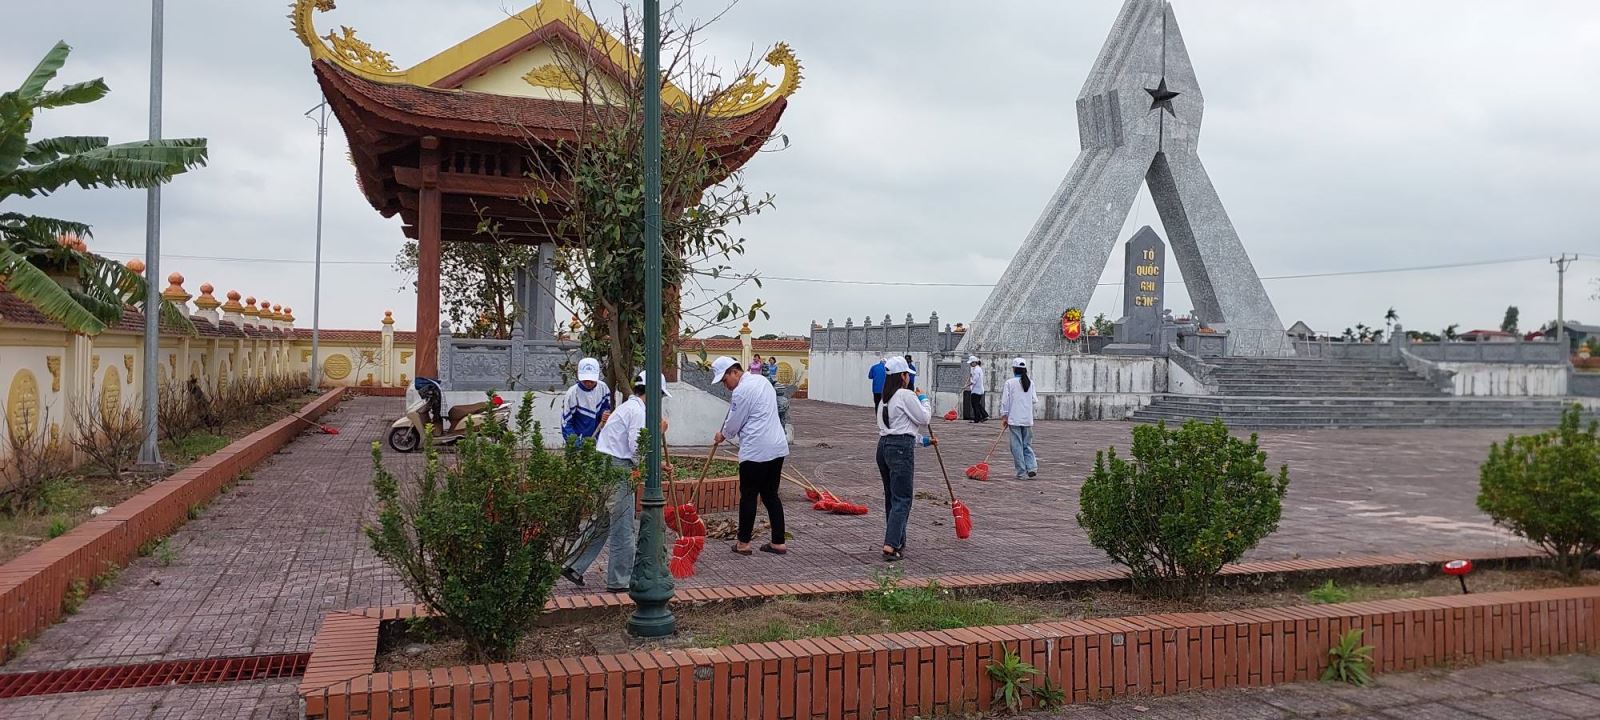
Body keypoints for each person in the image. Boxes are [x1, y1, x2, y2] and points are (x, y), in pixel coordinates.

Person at [562, 370, 669, 592]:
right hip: (616, 467)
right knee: (623, 526)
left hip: (605, 463)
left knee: (602, 522)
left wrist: (657, 464)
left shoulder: (627, 408)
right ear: (653, 393)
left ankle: (573, 565)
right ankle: (620, 580)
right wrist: (658, 433)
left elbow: (626, 447)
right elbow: (636, 449)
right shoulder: (638, 412)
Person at [710, 356, 789, 556]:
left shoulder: (741, 391)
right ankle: (778, 541)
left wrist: (723, 435)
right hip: (776, 446)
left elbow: (734, 422)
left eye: (725, 380)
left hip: (755, 450)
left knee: (749, 496)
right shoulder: (762, 381)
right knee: (771, 495)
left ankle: (743, 543)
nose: (725, 385)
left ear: (734, 372)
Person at [875, 356, 931, 562]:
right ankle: (891, 544)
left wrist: (922, 441)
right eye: (908, 375)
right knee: (903, 498)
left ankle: (898, 540)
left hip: (884, 447)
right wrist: (924, 399)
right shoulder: (905, 395)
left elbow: (897, 427)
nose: (909, 378)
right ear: (903, 376)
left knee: (893, 496)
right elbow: (924, 418)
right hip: (900, 449)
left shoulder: (885, 398)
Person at [1001, 358, 1039, 479]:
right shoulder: (1030, 382)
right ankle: (1032, 467)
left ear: (1014, 369)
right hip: (1027, 418)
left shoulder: (1010, 383)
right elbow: (1034, 399)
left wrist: (1004, 416)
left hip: (1014, 418)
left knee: (1016, 445)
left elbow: (1005, 401)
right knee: (1027, 444)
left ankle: (1022, 471)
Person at [561, 358, 612, 444]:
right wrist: (575, 443)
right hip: (578, 441)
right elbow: (566, 422)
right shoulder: (572, 393)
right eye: (585, 381)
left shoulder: (603, 388)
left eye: (591, 381)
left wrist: (604, 414)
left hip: (599, 441)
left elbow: (606, 408)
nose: (588, 383)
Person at [967, 356, 989, 423]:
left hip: (976, 390)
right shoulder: (976, 369)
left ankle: (977, 418)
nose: (970, 364)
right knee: (976, 404)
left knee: (975, 405)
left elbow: (974, 381)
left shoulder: (977, 370)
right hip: (977, 390)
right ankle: (984, 415)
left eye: (971, 363)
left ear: (974, 362)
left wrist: (966, 386)